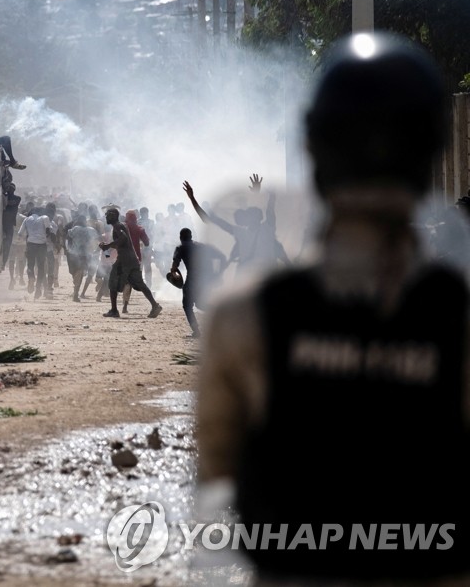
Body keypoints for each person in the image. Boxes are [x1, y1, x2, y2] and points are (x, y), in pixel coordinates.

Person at [196, 32, 470, 584]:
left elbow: (218, 492)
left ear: (317, 150)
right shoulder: (457, 312)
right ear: (428, 153)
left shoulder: (242, 315)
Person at [98, 207, 161, 319]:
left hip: (124, 260)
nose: (106, 217)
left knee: (112, 281)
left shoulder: (118, 226)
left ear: (113, 215)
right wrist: (107, 248)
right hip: (133, 260)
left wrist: (107, 246)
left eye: (107, 215)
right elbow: (122, 242)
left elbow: (123, 238)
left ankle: (114, 310)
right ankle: (155, 305)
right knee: (140, 284)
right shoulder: (120, 226)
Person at [168, 227, 226, 337]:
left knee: (187, 305)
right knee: (200, 304)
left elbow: (174, 267)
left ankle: (197, 331)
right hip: (206, 279)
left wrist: (174, 276)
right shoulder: (202, 246)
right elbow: (222, 257)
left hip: (193, 279)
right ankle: (221, 315)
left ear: (180, 238)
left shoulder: (180, 248)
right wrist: (218, 274)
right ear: (191, 236)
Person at [17, 205, 53, 300]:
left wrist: (29, 235)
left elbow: (20, 233)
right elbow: (48, 231)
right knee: (41, 267)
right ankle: (37, 289)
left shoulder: (27, 219)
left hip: (30, 244)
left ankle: (31, 277)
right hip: (42, 245)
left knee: (30, 265)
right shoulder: (44, 218)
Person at [64, 215, 99, 302]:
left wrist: (67, 248)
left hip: (74, 254)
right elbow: (96, 240)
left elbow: (68, 237)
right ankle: (76, 292)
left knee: (74, 272)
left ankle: (75, 291)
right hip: (86, 255)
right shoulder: (91, 230)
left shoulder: (75, 229)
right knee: (80, 273)